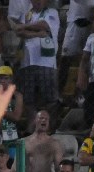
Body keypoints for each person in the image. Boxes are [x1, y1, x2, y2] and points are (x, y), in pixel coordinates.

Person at [15, 0, 60, 131]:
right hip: (27, 62)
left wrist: (24, 26)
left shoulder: (52, 12)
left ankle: (51, 129)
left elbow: (44, 25)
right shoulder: (26, 14)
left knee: (50, 100)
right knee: (29, 100)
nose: (38, 1)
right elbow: (19, 33)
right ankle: (31, 129)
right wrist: (36, 33)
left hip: (46, 63)